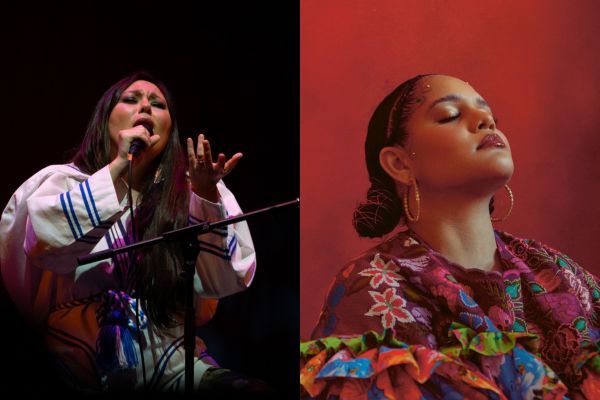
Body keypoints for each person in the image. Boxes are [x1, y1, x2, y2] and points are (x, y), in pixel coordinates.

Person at [301, 74, 600, 399]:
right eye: (450, 116)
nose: (486, 121)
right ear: (399, 163)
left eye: (490, 116)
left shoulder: (561, 274)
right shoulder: (372, 286)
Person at [0, 71, 263, 395]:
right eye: (131, 99)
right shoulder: (61, 183)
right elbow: (44, 247)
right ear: (104, 120)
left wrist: (207, 197)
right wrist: (120, 168)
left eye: (158, 104)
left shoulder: (192, 195)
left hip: (173, 364)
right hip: (72, 362)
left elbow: (222, 281)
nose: (145, 108)